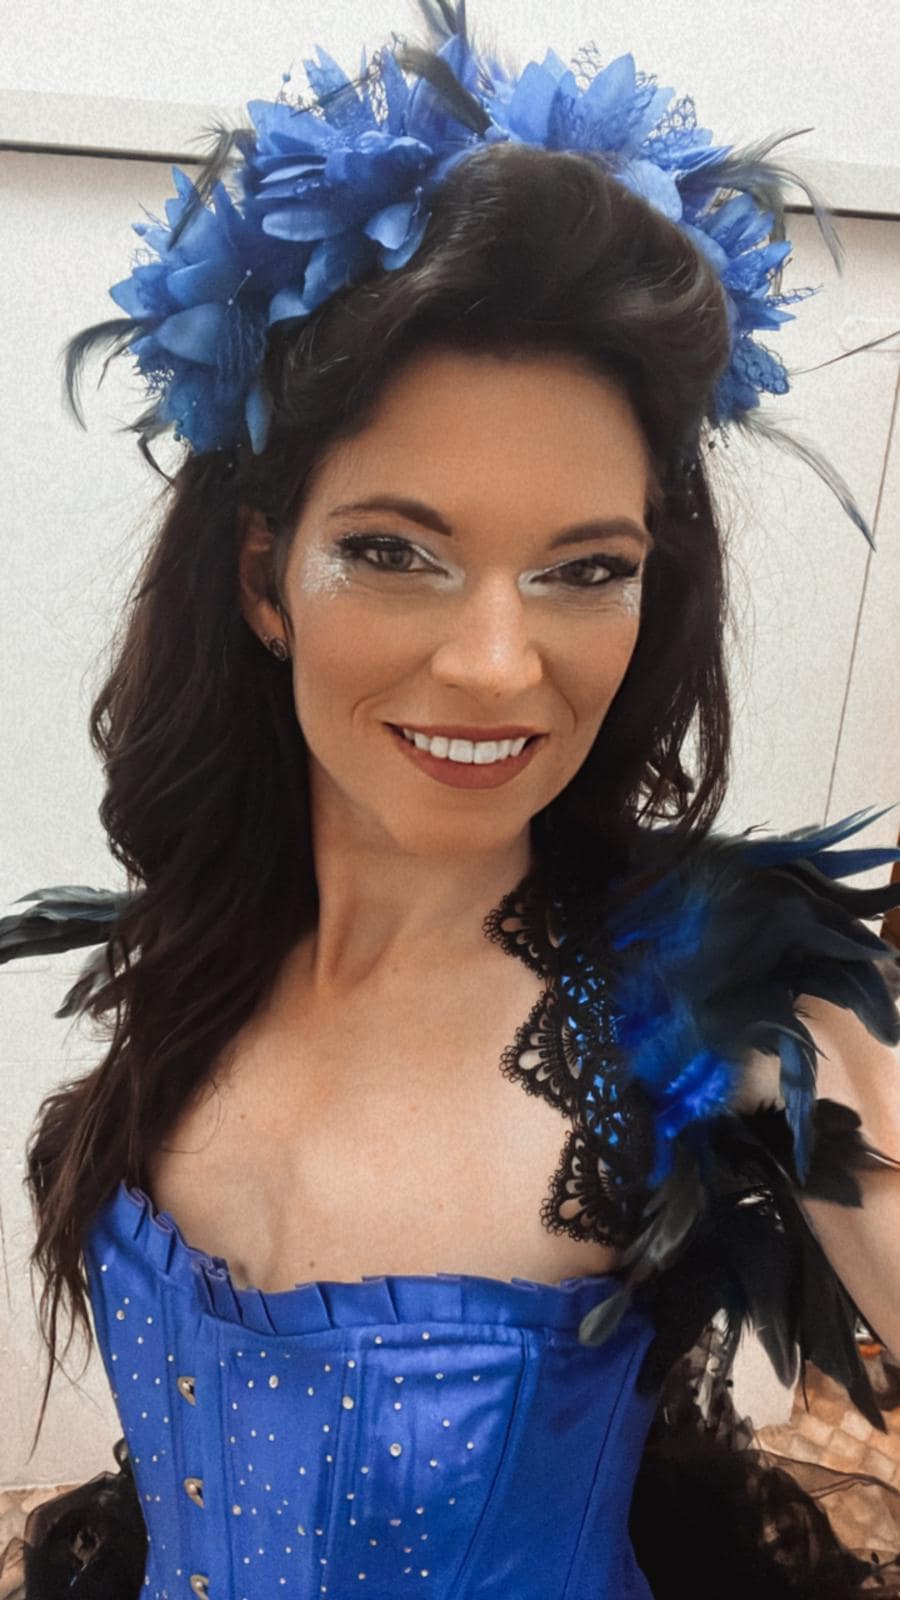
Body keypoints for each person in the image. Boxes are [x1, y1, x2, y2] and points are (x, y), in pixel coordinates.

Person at [2, 4, 900, 1595]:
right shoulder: (207, 941)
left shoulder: (721, 1011)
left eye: (585, 570)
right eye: (396, 551)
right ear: (264, 576)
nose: (496, 666)